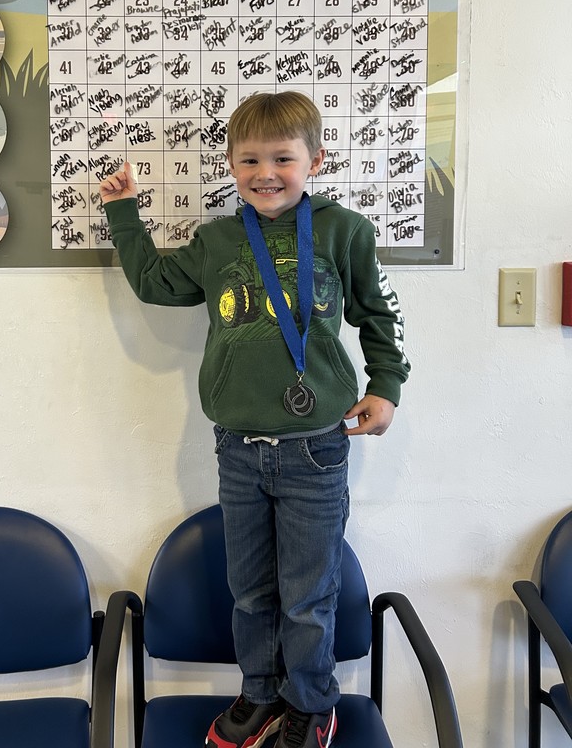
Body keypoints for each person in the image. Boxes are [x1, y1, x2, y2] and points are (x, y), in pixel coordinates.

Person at [100, 91, 409, 748]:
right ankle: (261, 692)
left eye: (282, 158)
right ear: (232, 165)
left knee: (306, 592)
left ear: (315, 159)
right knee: (249, 591)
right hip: (238, 449)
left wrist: (386, 386)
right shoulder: (217, 239)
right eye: (249, 160)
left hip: (316, 449)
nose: (265, 172)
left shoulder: (343, 231)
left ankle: (311, 703)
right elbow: (157, 282)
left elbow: (381, 316)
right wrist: (123, 213)